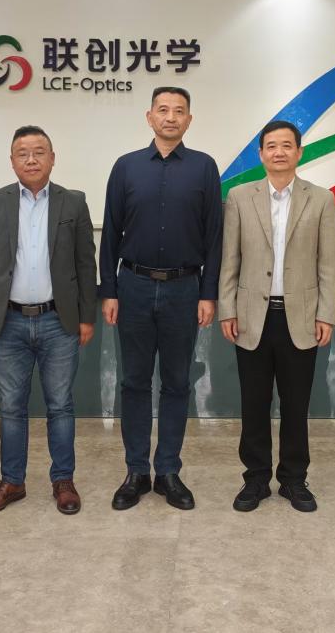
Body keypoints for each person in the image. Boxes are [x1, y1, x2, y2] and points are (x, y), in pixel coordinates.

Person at [100, 87, 223, 511]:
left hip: (184, 289)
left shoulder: (204, 167)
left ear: (189, 120)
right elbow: (110, 231)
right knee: (134, 382)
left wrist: (208, 293)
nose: (171, 117)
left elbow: (214, 236)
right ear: (149, 116)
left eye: (179, 111)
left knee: (176, 382)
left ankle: (168, 470)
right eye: (163, 110)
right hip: (132, 286)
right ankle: (136, 471)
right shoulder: (126, 166)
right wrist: (109, 289)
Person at [0, 125, 98, 516]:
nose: (31, 159)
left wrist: (87, 317)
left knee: (61, 405)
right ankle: (12, 481)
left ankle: (63, 480)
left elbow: (85, 263)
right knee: (11, 407)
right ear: (12, 161)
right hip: (8, 322)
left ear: (52, 158)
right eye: (22, 153)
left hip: (58, 321)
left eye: (39, 152)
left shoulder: (73, 202)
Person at [218, 120, 335, 513]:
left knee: (295, 405)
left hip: (300, 317)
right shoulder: (239, 197)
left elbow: (330, 263)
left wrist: (326, 314)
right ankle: (255, 479)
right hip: (251, 317)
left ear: (299, 152)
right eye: (271, 146)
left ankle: (293, 480)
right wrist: (227, 308)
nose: (279, 152)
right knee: (254, 404)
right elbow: (230, 258)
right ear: (261, 154)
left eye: (287, 145)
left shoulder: (320, 199)